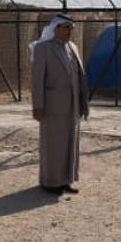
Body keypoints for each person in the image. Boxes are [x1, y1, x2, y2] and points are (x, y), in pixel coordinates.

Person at [30, 14, 89, 195]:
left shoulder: (73, 48)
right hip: (52, 107)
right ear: (55, 28)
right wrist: (38, 106)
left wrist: (83, 103)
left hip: (73, 106)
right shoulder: (43, 48)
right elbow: (37, 80)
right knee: (53, 144)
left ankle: (66, 180)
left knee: (70, 144)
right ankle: (50, 182)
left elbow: (79, 76)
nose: (69, 31)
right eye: (65, 27)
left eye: (71, 28)